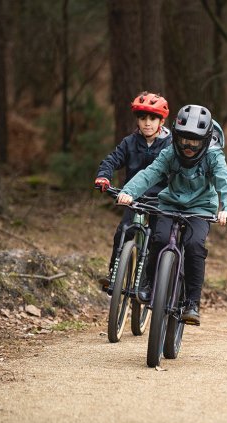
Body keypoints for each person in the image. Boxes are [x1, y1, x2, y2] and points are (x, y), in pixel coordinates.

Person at [115, 104, 227, 326]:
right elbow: (150, 173)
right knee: (159, 239)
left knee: (194, 246)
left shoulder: (214, 156)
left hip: (200, 208)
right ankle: (149, 283)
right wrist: (128, 193)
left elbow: (224, 182)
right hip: (169, 204)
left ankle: (192, 303)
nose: (189, 146)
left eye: (195, 141)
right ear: (176, 136)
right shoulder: (170, 151)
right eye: (184, 140)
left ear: (206, 139)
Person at [94, 92, 172, 289]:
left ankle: (148, 282)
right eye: (143, 118)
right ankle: (114, 273)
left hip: (160, 200)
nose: (147, 123)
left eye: (153, 118)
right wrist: (104, 175)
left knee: (157, 238)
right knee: (123, 231)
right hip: (133, 197)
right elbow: (112, 160)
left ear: (161, 120)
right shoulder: (130, 142)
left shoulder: (171, 145)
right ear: (137, 119)